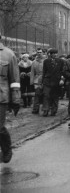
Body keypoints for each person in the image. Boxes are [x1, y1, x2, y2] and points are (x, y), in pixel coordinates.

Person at [0, 35, 21, 163]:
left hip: (1, 97)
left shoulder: (8, 54)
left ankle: (6, 149)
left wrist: (16, 99)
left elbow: (14, 80)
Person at [42, 48, 65, 116]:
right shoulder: (46, 61)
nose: (55, 55)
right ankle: (45, 110)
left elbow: (63, 72)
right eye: (53, 54)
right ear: (50, 54)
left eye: (56, 53)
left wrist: (62, 79)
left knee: (55, 96)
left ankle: (54, 110)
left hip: (57, 81)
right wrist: (43, 82)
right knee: (46, 95)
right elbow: (44, 71)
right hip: (47, 81)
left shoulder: (61, 61)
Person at [30, 48, 44, 114]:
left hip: (44, 79)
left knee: (45, 94)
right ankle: (35, 109)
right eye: (38, 52)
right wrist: (32, 81)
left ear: (42, 53)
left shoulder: (45, 61)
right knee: (37, 94)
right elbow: (32, 72)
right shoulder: (34, 62)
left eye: (40, 52)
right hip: (37, 79)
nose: (39, 53)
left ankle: (45, 109)